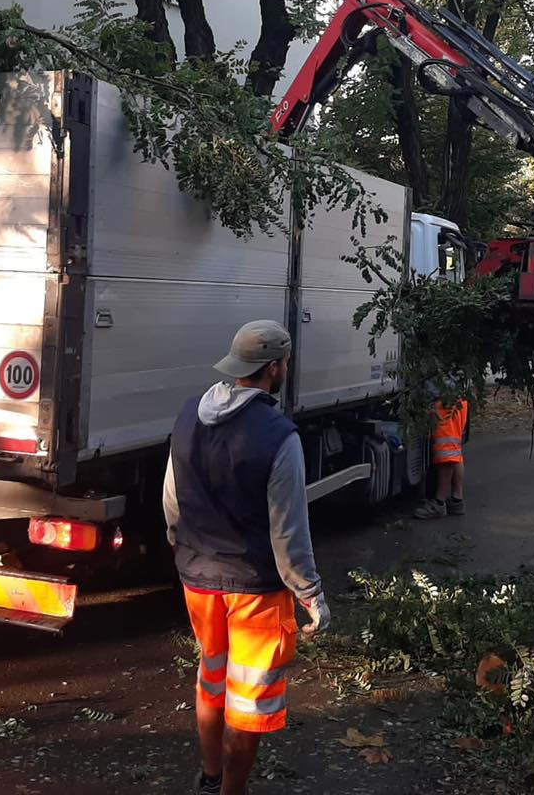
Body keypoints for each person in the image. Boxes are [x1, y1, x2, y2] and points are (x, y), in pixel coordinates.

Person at [163, 320, 330, 795]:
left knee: (211, 676)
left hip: (197, 580)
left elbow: (172, 498)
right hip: (255, 589)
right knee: (250, 699)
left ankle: (211, 777)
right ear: (275, 367)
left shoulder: (187, 415)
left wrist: (180, 542)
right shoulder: (279, 436)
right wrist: (310, 594)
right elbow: (289, 529)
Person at [413, 392, 468, 519]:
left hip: (445, 402)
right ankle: (456, 500)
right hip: (456, 399)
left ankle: (439, 502)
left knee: (446, 452)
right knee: (453, 450)